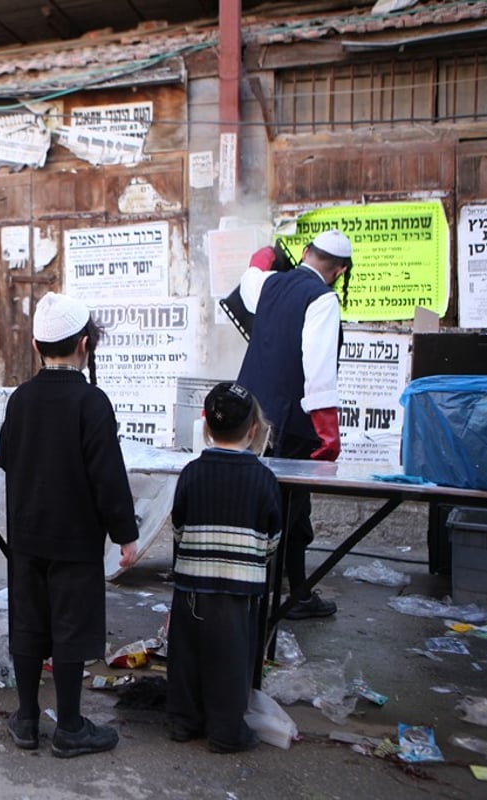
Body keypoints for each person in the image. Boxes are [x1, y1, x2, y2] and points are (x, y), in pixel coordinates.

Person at [0, 292, 139, 758]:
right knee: (70, 629)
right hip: (75, 542)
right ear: (84, 344)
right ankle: (71, 726)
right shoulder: (91, 402)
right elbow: (108, 475)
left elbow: (6, 456)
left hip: (27, 537)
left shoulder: (21, 399)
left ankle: (27, 719)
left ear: (38, 347)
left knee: (29, 626)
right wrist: (125, 534)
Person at [236, 230, 352, 620]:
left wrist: (263, 254)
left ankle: (261, 587)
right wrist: (328, 433)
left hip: (250, 418)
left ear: (305, 253)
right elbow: (319, 369)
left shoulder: (270, 284)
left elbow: (250, 280)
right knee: (293, 508)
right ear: (339, 270)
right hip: (291, 423)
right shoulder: (323, 298)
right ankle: (295, 596)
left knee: (258, 502)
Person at [167, 382, 281, 753]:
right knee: (231, 660)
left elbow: (179, 528)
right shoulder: (264, 478)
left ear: (205, 428)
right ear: (253, 429)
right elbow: (272, 538)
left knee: (185, 657)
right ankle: (226, 731)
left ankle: (183, 722)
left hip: (191, 586)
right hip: (239, 588)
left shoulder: (191, 473)